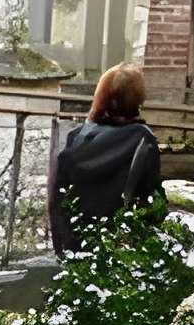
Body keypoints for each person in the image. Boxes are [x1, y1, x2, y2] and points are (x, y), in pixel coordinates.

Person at [48, 63, 164, 254]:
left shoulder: (75, 137)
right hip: (116, 247)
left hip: (74, 242)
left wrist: (63, 246)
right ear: (137, 100)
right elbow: (151, 200)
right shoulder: (143, 139)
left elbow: (55, 199)